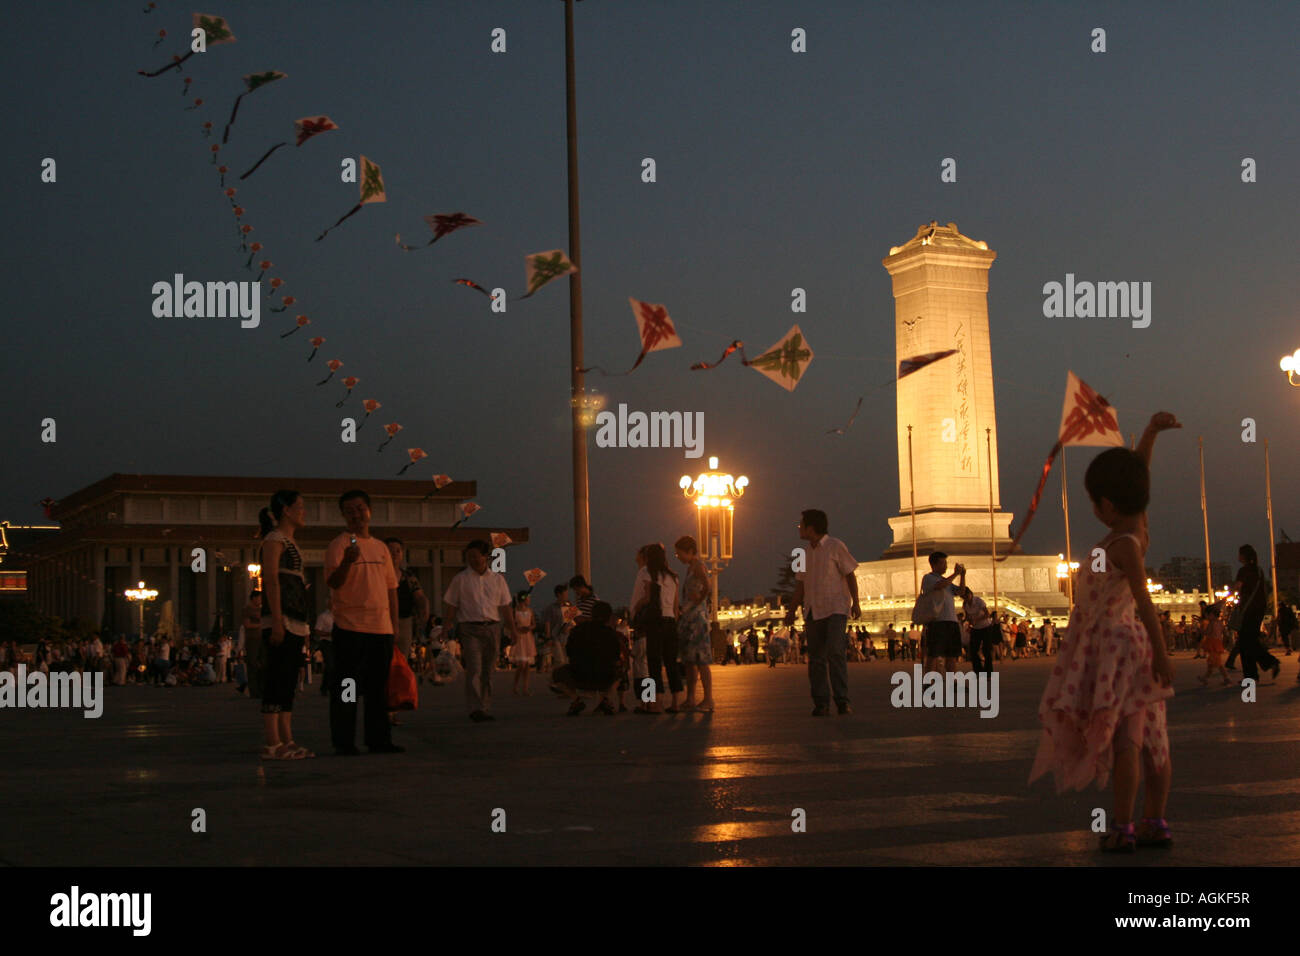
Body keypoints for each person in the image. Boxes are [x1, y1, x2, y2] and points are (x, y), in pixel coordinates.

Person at [1030, 412, 1179, 853]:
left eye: (1095, 501)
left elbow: (1146, 604)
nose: (1094, 507)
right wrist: (1149, 436)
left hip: (1116, 648)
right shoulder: (1134, 532)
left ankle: (1123, 826)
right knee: (1152, 737)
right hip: (1126, 645)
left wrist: (1163, 651)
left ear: (1107, 506)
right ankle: (1155, 820)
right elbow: (1139, 485)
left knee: (1126, 741)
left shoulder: (1123, 545)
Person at [326, 489, 402, 755]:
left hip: (380, 629)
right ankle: (344, 741)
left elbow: (391, 589)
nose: (356, 515)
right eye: (350, 511)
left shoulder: (381, 548)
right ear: (343, 516)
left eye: (360, 509)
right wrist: (347, 562)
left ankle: (379, 739)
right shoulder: (338, 545)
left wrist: (394, 626)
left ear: (369, 510)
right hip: (350, 627)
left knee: (377, 689)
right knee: (348, 686)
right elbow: (334, 583)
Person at [785, 508, 860, 716]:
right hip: (812, 610)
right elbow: (800, 586)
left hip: (835, 608)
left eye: (802, 525)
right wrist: (791, 611)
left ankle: (842, 701)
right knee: (816, 658)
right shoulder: (804, 553)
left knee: (835, 653)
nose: (799, 528)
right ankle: (821, 702)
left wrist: (856, 603)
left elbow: (850, 574)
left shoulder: (836, 546)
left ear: (811, 528)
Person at [258, 490, 315, 760]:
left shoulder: (290, 541)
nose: (304, 512)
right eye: (300, 507)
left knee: (289, 680)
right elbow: (270, 580)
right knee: (277, 678)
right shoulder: (274, 539)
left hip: (295, 619)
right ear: (285, 510)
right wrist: (278, 621)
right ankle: (272, 742)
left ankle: (286, 738)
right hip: (281, 619)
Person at [443, 539, 517, 722]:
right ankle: (475, 708)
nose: (473, 560)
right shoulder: (460, 579)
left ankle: (484, 705)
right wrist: (447, 626)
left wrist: (512, 629)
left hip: (492, 627)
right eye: (469, 557)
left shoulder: (498, 580)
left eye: (476, 556)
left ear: (485, 557)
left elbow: (505, 607)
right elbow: (451, 605)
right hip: (469, 628)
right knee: (474, 668)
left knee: (488, 670)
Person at [630, 543, 680, 714]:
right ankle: (675, 702)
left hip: (653, 622)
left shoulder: (645, 573)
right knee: (671, 662)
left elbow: (644, 598)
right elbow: (675, 605)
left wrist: (635, 611)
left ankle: (653, 703)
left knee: (652, 663)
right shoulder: (673, 576)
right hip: (671, 621)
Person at [385, 537, 428, 725]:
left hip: (403, 622)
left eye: (398, 550)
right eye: (390, 550)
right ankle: (383, 707)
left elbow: (420, 597)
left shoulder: (408, 577)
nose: (394, 553)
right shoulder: (378, 574)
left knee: (399, 666)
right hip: (381, 623)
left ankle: (393, 708)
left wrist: (423, 614)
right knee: (383, 666)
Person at [552, 601, 622, 716]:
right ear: (608, 617)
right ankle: (607, 699)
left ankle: (576, 700)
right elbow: (616, 656)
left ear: (592, 614)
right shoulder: (611, 634)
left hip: (579, 675)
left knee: (556, 674)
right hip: (604, 677)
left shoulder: (577, 630)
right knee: (620, 673)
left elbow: (569, 652)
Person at [674, 535, 715, 712]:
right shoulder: (691, 567)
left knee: (700, 660)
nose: (678, 557)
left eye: (680, 553)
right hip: (690, 618)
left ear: (690, 552)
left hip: (697, 619)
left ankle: (708, 700)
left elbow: (708, 586)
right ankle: (690, 698)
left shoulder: (698, 566)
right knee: (689, 661)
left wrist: (699, 599)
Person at [1232, 544, 1279, 684]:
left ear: (1243, 556)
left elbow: (1238, 587)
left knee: (1246, 642)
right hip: (1259, 609)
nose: (1238, 556)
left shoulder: (1243, 570)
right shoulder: (1258, 570)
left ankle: (1268, 664)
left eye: (1239, 554)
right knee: (1248, 641)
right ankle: (1252, 675)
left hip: (1247, 610)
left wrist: (1228, 596)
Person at [921, 552, 965, 674]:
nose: (946, 566)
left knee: (951, 656)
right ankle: (928, 683)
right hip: (937, 622)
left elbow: (961, 592)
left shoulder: (947, 581)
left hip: (952, 621)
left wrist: (962, 576)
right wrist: (955, 573)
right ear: (934, 564)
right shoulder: (928, 578)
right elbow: (939, 586)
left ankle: (953, 683)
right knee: (933, 655)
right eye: (943, 563)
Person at [961, 588, 999, 676]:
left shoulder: (978, 601)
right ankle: (978, 671)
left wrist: (976, 620)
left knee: (986, 650)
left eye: (967, 596)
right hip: (975, 628)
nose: (966, 598)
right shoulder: (965, 604)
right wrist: (967, 622)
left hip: (986, 627)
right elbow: (968, 616)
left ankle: (988, 673)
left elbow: (987, 614)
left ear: (970, 594)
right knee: (973, 650)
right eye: (963, 597)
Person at [510, 591, 537, 695]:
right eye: (528, 598)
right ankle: (515, 685)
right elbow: (510, 624)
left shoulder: (530, 611)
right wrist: (517, 628)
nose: (529, 600)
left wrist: (529, 627)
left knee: (527, 665)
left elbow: (534, 624)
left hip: (527, 637)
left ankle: (525, 687)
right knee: (521, 664)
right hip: (519, 637)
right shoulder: (514, 611)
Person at [1197, 603, 1231, 686]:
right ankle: (1205, 678)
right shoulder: (1220, 622)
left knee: (1218, 663)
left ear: (1211, 614)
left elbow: (1207, 633)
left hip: (1212, 643)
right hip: (1218, 643)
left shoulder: (1211, 623)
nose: (1207, 616)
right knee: (1212, 663)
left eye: (1207, 615)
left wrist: (1200, 629)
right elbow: (1224, 632)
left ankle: (1227, 678)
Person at [539, 584, 570, 670]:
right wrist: (548, 637)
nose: (566, 596)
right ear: (559, 595)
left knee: (566, 660)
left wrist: (569, 628)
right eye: (565, 594)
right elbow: (547, 623)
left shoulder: (568, 607)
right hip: (555, 637)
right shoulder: (551, 608)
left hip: (566, 637)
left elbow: (571, 622)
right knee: (560, 660)